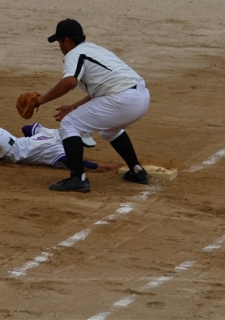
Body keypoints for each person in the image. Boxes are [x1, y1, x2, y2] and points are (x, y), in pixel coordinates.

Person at [32, 18, 151, 193]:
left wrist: (40, 100)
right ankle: (137, 170)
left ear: (67, 41)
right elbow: (102, 90)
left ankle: (78, 178)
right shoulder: (94, 49)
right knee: (109, 130)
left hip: (122, 99)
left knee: (69, 124)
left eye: (59, 41)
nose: (60, 46)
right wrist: (74, 107)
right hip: (141, 97)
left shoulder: (74, 54)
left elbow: (70, 81)